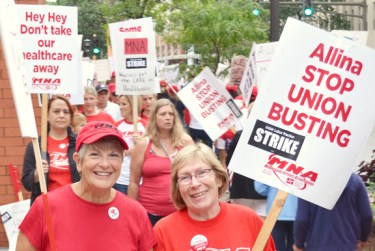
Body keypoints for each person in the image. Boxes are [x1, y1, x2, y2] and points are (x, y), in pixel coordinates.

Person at [17, 121, 156, 251]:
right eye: (95, 154)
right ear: (78, 162)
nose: (105, 164)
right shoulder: (45, 207)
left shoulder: (136, 213)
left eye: (113, 155)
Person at [153, 143, 276, 250]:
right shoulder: (163, 231)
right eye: (185, 177)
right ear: (178, 187)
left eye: (202, 173)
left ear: (219, 179)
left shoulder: (249, 219)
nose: (195, 184)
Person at [128, 98, 194, 226]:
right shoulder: (143, 144)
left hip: (181, 211)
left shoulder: (186, 142)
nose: (168, 118)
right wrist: (132, 213)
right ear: (154, 118)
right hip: (149, 213)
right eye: (163, 114)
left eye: (171, 114)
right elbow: (134, 183)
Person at [22, 95, 80, 205]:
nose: (61, 115)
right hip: (47, 205)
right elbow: (27, 184)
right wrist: (36, 175)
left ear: (71, 117)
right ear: (47, 116)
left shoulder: (80, 143)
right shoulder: (36, 146)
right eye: (56, 111)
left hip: (75, 204)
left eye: (66, 112)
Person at [293, 172, 373, 251]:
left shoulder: (308, 181)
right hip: (347, 245)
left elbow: (302, 219)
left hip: (316, 245)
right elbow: (367, 215)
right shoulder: (355, 180)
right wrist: (363, 238)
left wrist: (299, 244)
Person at [114, 95, 147, 194]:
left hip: (141, 180)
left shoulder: (146, 126)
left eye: (124, 104)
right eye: (119, 104)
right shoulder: (116, 126)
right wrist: (130, 151)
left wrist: (142, 144)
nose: (120, 107)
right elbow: (112, 152)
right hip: (121, 179)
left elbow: (154, 151)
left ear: (133, 105)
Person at [255, 182, 298, 251]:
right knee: (296, 246)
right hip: (297, 212)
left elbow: (260, 188)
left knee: (276, 246)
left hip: (275, 212)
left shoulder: (271, 170)